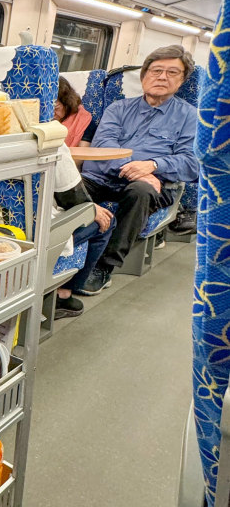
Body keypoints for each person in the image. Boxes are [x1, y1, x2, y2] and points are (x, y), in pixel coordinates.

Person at [77, 45, 197, 295]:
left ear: (183, 80)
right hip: (103, 177)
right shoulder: (118, 108)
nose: (162, 77)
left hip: (155, 185)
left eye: (172, 72)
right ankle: (62, 251)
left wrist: (153, 166)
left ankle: (105, 267)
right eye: (156, 70)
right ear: (144, 76)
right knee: (69, 184)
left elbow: (191, 163)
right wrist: (136, 169)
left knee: (140, 191)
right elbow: (103, 146)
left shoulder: (190, 116)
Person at [51, 143, 115, 319]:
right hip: (44, 232)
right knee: (106, 221)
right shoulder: (52, 143)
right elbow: (72, 196)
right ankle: (63, 295)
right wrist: (92, 209)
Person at [54, 75, 97, 148]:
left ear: (67, 103)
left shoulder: (84, 122)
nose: (51, 114)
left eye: (56, 108)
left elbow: (80, 157)